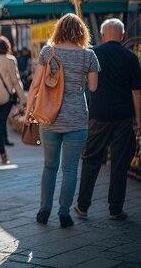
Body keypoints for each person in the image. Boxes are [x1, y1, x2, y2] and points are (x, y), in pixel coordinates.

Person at [25, 13, 100, 228]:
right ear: (81, 32)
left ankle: (44, 210)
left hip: (49, 118)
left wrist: (29, 111)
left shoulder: (49, 51)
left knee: (49, 166)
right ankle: (64, 213)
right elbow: (93, 88)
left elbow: (35, 85)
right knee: (70, 169)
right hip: (77, 119)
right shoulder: (89, 56)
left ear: (59, 30)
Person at [74, 19, 141, 221]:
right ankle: (115, 209)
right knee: (120, 163)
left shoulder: (92, 54)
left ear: (103, 35)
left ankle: (83, 206)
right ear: (122, 36)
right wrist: (137, 118)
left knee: (91, 159)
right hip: (124, 116)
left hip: (98, 115)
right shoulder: (131, 57)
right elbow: (136, 92)